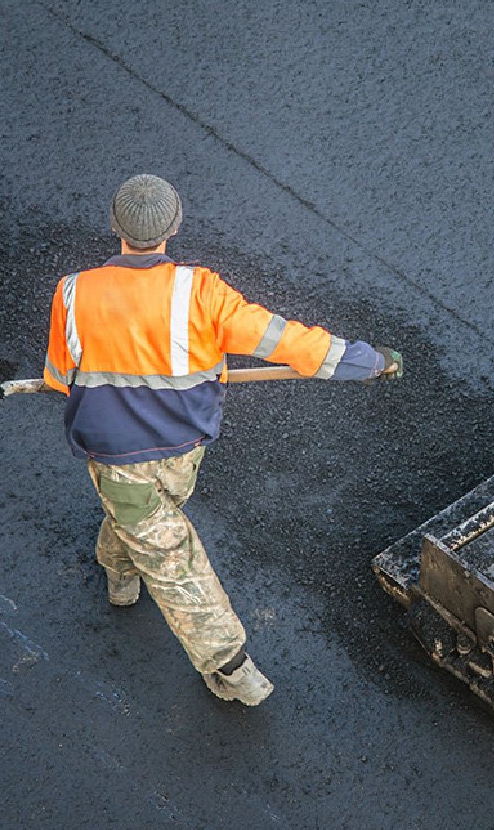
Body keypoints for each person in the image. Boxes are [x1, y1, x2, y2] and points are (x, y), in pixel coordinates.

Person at [44, 174, 403, 706]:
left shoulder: (72, 294)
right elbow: (290, 342)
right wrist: (368, 362)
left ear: (116, 227)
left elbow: (57, 376)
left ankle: (120, 573)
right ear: (174, 226)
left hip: (117, 458)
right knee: (173, 558)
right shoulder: (202, 292)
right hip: (185, 448)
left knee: (144, 522)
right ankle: (230, 667)